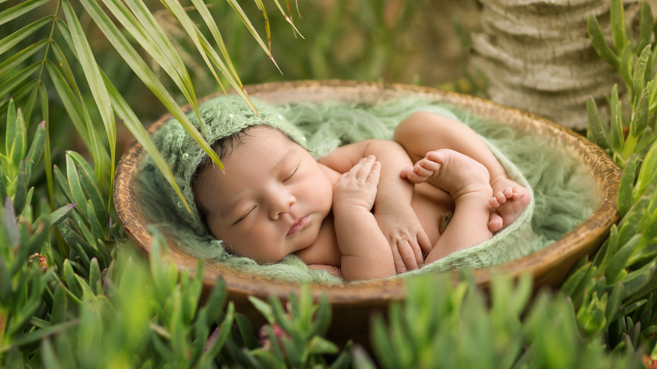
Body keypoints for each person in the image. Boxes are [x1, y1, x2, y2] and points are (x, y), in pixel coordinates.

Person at [185, 105, 531, 281]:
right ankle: (476, 193)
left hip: (434, 186)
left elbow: (384, 150)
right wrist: (352, 213)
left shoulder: (328, 167)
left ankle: (499, 182)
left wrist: (392, 207)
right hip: (448, 246)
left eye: (289, 174)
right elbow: (374, 283)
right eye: (245, 214)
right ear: (217, 238)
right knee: (435, 283)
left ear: (305, 154)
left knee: (416, 126)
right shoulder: (296, 266)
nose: (281, 205)